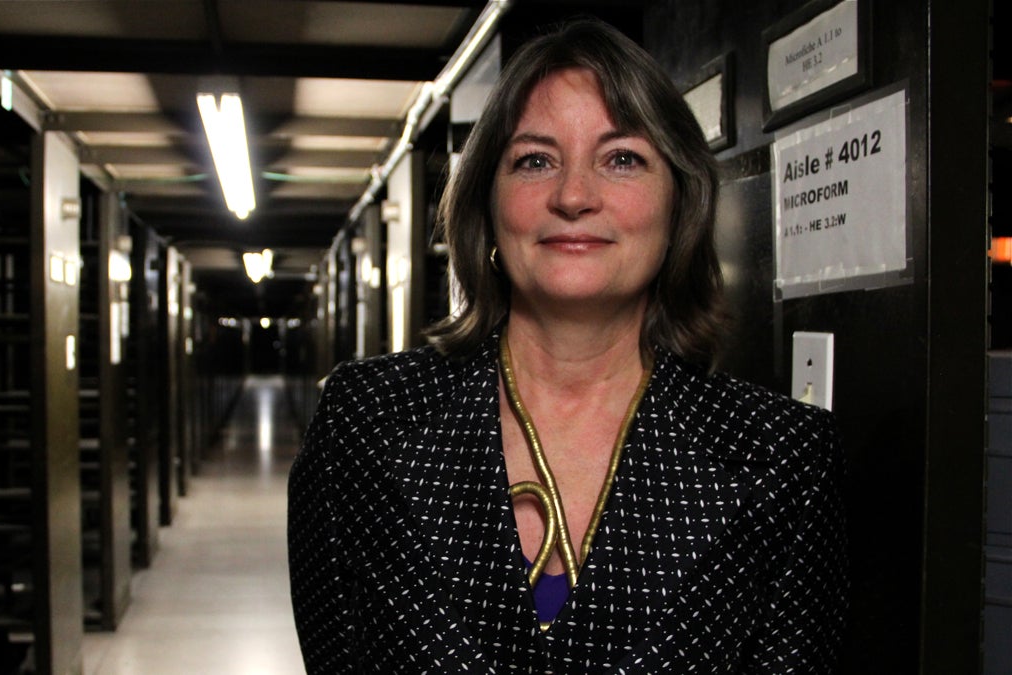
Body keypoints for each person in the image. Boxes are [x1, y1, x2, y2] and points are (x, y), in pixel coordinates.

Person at [288, 17, 847, 674]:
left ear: (679, 205)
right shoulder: (367, 419)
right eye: (535, 160)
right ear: (488, 204)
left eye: (622, 159)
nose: (574, 196)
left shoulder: (782, 458)